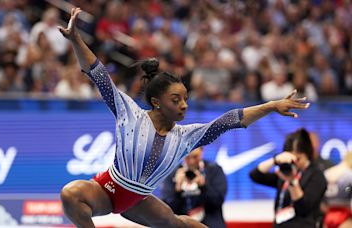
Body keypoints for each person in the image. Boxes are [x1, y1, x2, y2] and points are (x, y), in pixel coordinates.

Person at [59, 8, 310, 228]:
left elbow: (233, 119)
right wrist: (76, 39)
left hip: (139, 201)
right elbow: (98, 73)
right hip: (108, 189)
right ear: (156, 102)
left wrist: (272, 105)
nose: (183, 106)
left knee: (176, 224)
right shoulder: (130, 114)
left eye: (185, 99)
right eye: (176, 100)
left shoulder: (186, 137)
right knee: (71, 194)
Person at [249, 128, 327, 228]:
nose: (294, 162)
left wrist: (292, 181)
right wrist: (275, 160)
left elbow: (303, 208)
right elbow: (255, 175)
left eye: (298, 158)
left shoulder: (316, 175)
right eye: (291, 158)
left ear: (307, 154)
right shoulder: (284, 173)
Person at [160, 147, 227, 228]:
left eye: (195, 157)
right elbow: (167, 209)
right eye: (187, 157)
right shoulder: (172, 174)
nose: (191, 161)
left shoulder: (214, 170)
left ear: (202, 152)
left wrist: (203, 186)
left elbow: (218, 201)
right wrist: (177, 189)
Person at [323, 151, 352, 228]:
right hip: (345, 214)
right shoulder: (349, 175)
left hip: (328, 214)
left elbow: (321, 201)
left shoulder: (326, 173)